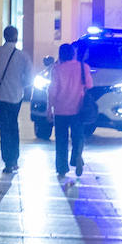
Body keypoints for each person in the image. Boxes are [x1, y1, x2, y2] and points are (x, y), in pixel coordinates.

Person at [0, 26, 34, 173]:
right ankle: (14, 159)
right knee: (13, 126)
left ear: (4, 36)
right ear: (16, 37)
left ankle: (7, 162)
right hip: (15, 96)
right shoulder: (22, 56)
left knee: (3, 128)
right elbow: (30, 78)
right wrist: (20, 85)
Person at [47, 43, 93, 180]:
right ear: (73, 53)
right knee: (78, 136)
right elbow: (89, 85)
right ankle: (76, 157)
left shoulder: (57, 69)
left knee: (61, 140)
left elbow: (52, 90)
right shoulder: (83, 67)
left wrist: (50, 109)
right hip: (78, 109)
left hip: (61, 110)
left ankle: (62, 168)